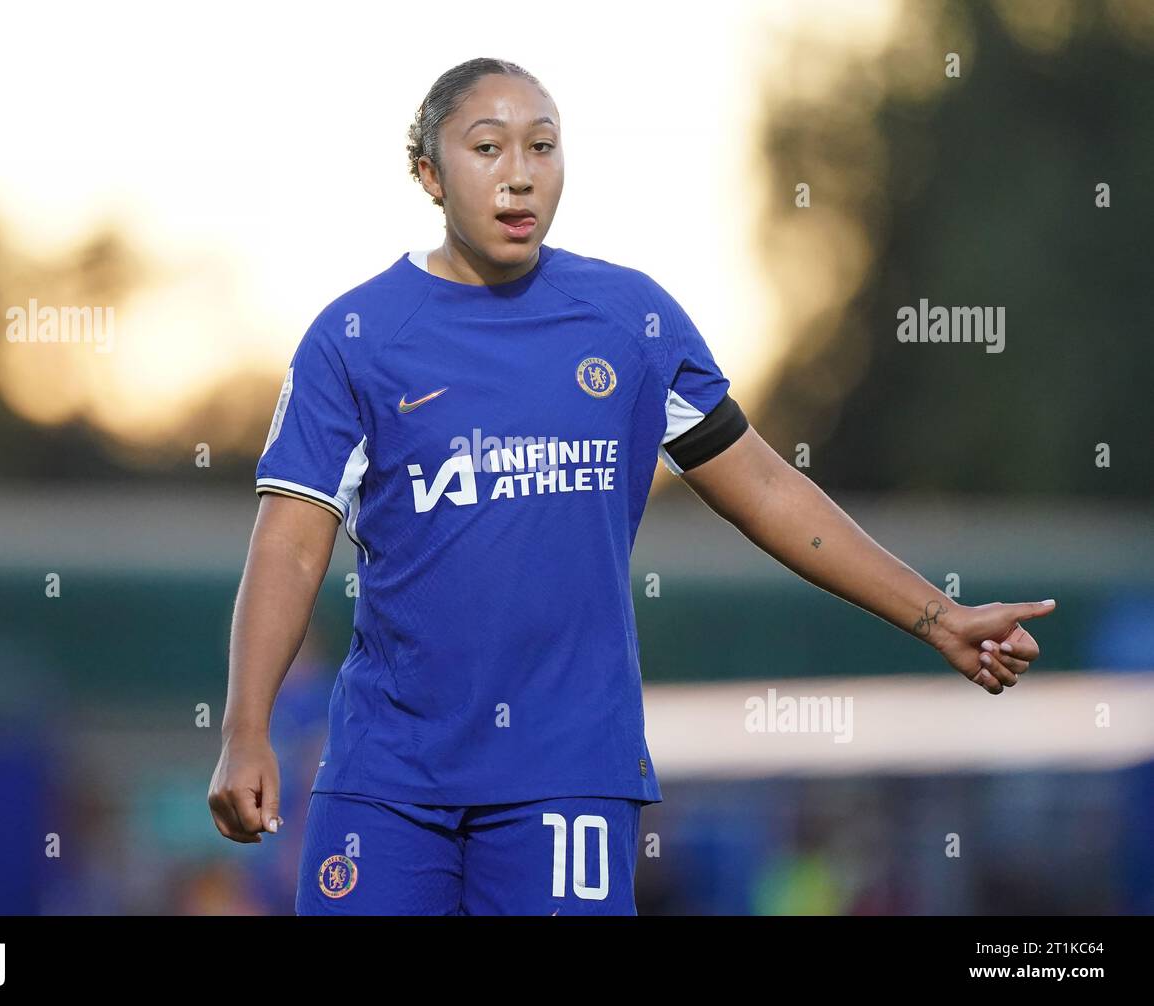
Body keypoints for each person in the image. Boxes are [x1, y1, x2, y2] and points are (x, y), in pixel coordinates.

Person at [208, 57, 1055, 915]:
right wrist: (247, 731)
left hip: (566, 772)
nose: (520, 174)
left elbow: (764, 485)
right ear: (429, 173)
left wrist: (938, 616)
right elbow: (289, 540)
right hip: (386, 778)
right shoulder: (354, 338)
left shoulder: (628, 321)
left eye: (543, 147)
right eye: (488, 147)